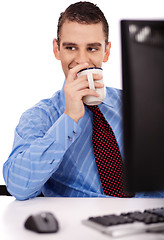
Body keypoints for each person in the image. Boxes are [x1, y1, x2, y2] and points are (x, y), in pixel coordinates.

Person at [3, 1, 164, 200]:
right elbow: (18, 186)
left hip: (149, 221)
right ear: (57, 49)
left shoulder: (135, 105)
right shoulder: (40, 117)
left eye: (92, 49)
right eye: (71, 47)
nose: (82, 60)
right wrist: (69, 118)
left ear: (107, 51)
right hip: (85, 225)